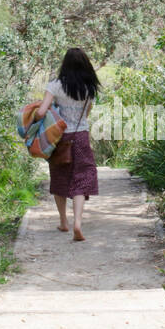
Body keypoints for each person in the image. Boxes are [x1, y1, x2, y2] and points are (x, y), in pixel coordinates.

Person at [32, 48, 100, 241]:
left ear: (65, 64)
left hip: (60, 137)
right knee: (81, 178)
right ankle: (77, 223)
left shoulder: (55, 85)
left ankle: (63, 221)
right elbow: (86, 114)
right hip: (81, 136)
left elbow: (41, 112)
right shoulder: (89, 87)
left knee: (60, 176)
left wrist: (36, 113)